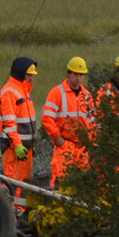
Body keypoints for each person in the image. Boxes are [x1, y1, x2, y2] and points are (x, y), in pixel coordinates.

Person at [41, 56, 96, 187]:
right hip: (65, 146)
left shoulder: (87, 96)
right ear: (69, 74)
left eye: (81, 75)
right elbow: (47, 118)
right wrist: (58, 139)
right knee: (60, 183)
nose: (78, 78)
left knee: (82, 185)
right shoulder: (57, 92)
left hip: (82, 148)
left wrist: (91, 143)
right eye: (75, 74)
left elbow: (93, 123)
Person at [0, 57, 37, 211]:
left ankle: (20, 214)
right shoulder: (9, 92)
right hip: (15, 150)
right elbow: (9, 123)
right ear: (21, 74)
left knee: (24, 184)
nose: (32, 78)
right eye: (29, 75)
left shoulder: (24, 91)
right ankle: (10, 213)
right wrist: (17, 145)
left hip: (26, 149)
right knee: (12, 184)